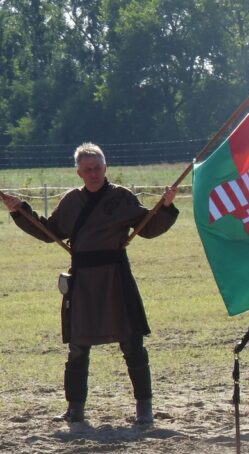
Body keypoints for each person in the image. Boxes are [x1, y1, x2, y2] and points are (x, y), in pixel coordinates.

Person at [1, 143, 178, 425]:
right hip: (82, 280)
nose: (93, 174)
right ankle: (75, 408)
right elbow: (50, 232)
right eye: (87, 170)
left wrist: (166, 206)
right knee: (78, 347)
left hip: (115, 278)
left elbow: (149, 227)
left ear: (105, 168)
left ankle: (144, 408)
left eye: (97, 168)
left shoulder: (122, 198)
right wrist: (20, 210)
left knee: (132, 343)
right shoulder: (71, 201)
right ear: (79, 172)